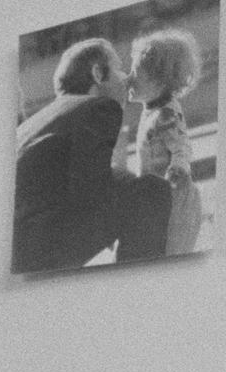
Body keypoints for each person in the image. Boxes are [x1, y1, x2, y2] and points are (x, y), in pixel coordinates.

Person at [11, 37, 173, 273]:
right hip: (42, 250)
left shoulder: (40, 119)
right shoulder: (99, 107)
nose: (127, 78)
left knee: (128, 183)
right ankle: (138, 287)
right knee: (152, 190)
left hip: (18, 249)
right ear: (98, 73)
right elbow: (91, 191)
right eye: (118, 68)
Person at [128, 26, 205, 257]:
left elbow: (181, 145)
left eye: (136, 74)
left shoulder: (166, 114)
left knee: (167, 255)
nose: (129, 78)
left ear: (159, 83)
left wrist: (178, 167)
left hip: (174, 200)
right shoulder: (152, 109)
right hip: (157, 198)